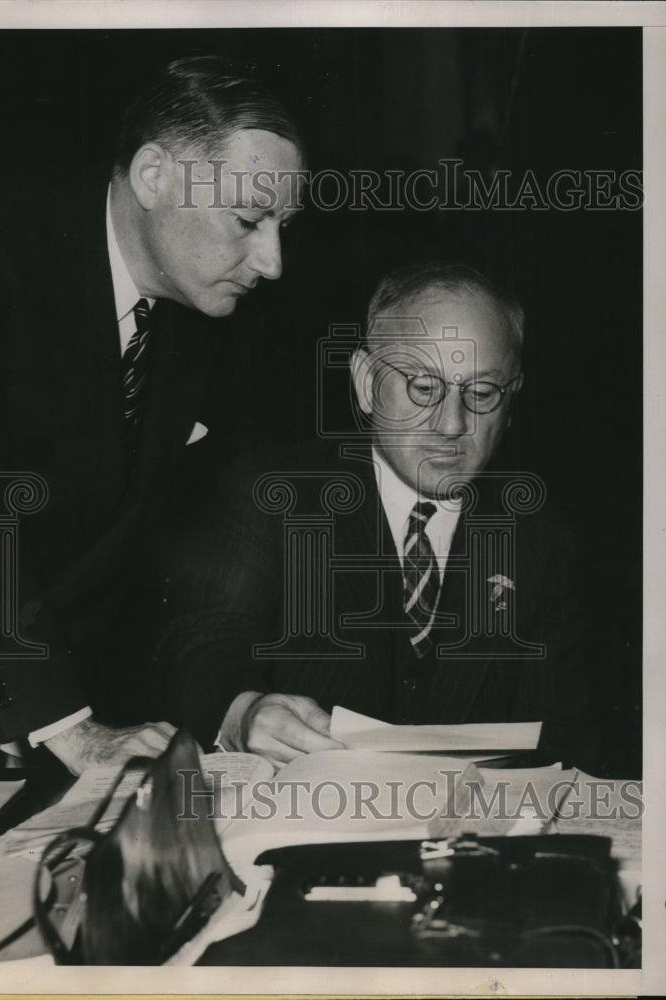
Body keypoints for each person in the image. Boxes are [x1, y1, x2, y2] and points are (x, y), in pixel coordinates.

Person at [0, 56, 305, 775]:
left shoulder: (202, 310)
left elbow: (180, 561)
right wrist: (65, 727)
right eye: (249, 219)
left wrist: (234, 707)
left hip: (78, 711)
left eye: (283, 224)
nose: (273, 260)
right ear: (153, 176)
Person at [157, 261, 598, 771]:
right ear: (367, 383)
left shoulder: (540, 542)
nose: (452, 425)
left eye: (481, 393)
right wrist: (241, 711)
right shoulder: (275, 492)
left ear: (513, 398)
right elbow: (202, 638)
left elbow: (563, 742)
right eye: (422, 387)